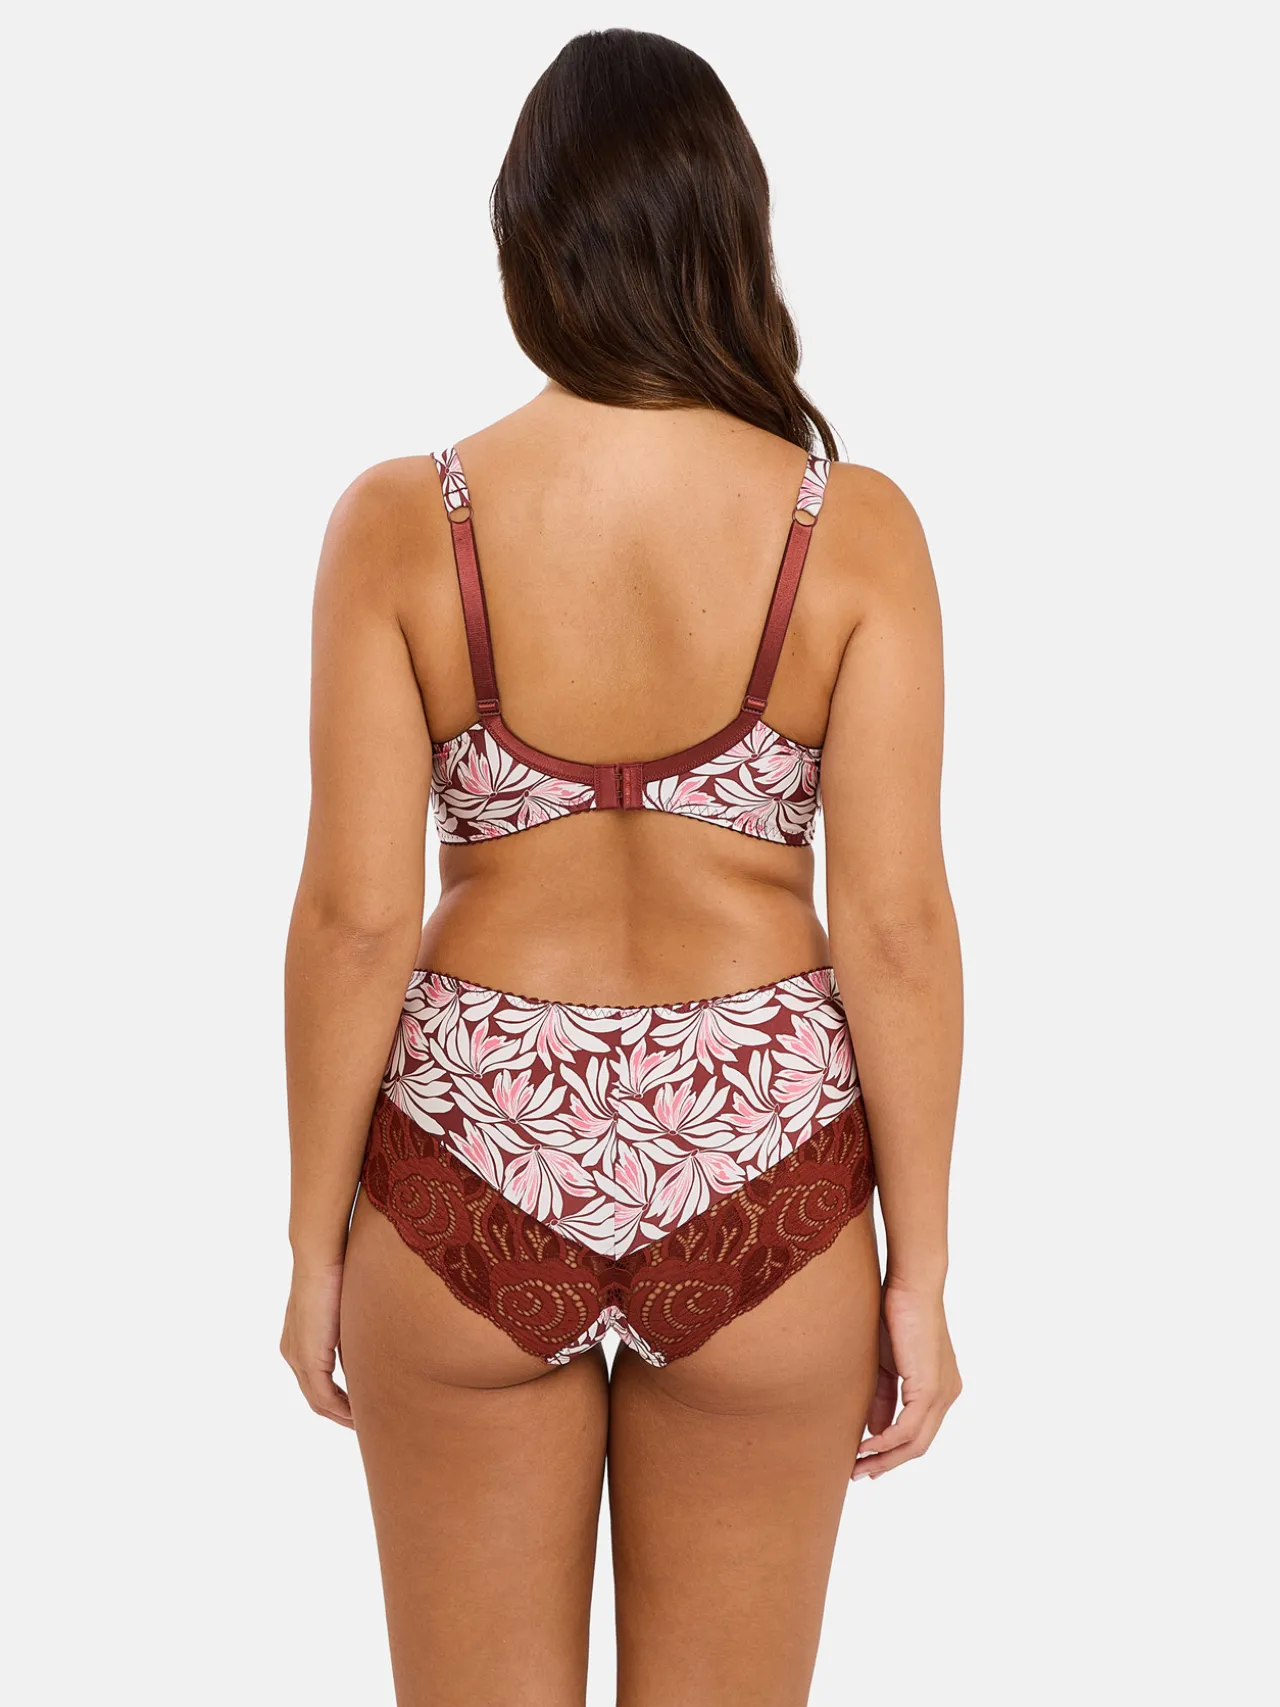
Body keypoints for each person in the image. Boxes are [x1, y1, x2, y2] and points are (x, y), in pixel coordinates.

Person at [281, 27, 962, 1707]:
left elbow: (358, 918)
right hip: (767, 1166)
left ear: (528, 247)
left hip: (470, 1152)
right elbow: (893, 926)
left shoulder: (408, 520)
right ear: (734, 234)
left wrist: (312, 1246)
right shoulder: (849, 528)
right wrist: (923, 1272)